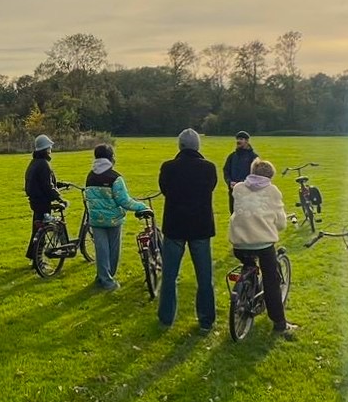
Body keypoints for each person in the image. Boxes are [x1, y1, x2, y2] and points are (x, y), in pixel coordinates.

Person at [157, 129, 218, 330]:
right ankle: (206, 320)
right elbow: (210, 187)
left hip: (174, 225)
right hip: (200, 226)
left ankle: (166, 318)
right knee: (204, 277)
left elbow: (165, 190)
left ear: (180, 146)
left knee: (169, 276)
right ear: (197, 146)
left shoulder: (168, 167)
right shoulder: (208, 168)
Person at [228, 158, 297, 335]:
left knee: (248, 263)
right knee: (271, 281)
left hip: (239, 243)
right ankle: (280, 323)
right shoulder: (272, 191)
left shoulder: (238, 188)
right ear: (270, 176)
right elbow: (280, 223)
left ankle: (247, 289)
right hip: (263, 244)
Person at [84, 144, 150, 291]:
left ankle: (101, 277)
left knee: (101, 251)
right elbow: (124, 201)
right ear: (111, 158)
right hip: (113, 220)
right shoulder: (115, 177)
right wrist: (142, 206)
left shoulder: (90, 176)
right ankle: (108, 280)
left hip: (96, 219)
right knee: (113, 251)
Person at [23, 134, 62, 260]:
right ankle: (38, 259)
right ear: (46, 149)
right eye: (49, 147)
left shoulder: (34, 163)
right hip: (43, 202)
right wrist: (59, 197)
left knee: (36, 230)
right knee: (43, 232)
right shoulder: (44, 164)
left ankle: (33, 256)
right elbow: (47, 186)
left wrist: (59, 184)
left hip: (35, 202)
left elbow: (42, 181)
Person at [222, 131, 256, 214]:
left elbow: (255, 175)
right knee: (233, 215)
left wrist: (242, 183)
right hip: (233, 192)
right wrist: (229, 181)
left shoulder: (253, 157)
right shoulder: (232, 156)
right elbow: (226, 171)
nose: (238, 141)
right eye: (237, 139)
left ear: (247, 141)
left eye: (241, 139)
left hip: (247, 193)